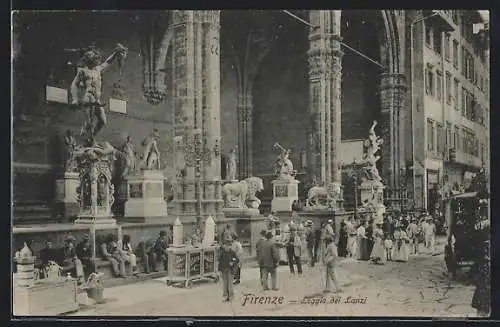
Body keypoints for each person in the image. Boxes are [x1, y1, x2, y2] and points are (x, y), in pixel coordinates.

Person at [471, 241, 491, 317]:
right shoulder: (480, 262)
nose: (487, 256)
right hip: (482, 290)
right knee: (482, 312)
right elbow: (472, 273)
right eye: (486, 252)